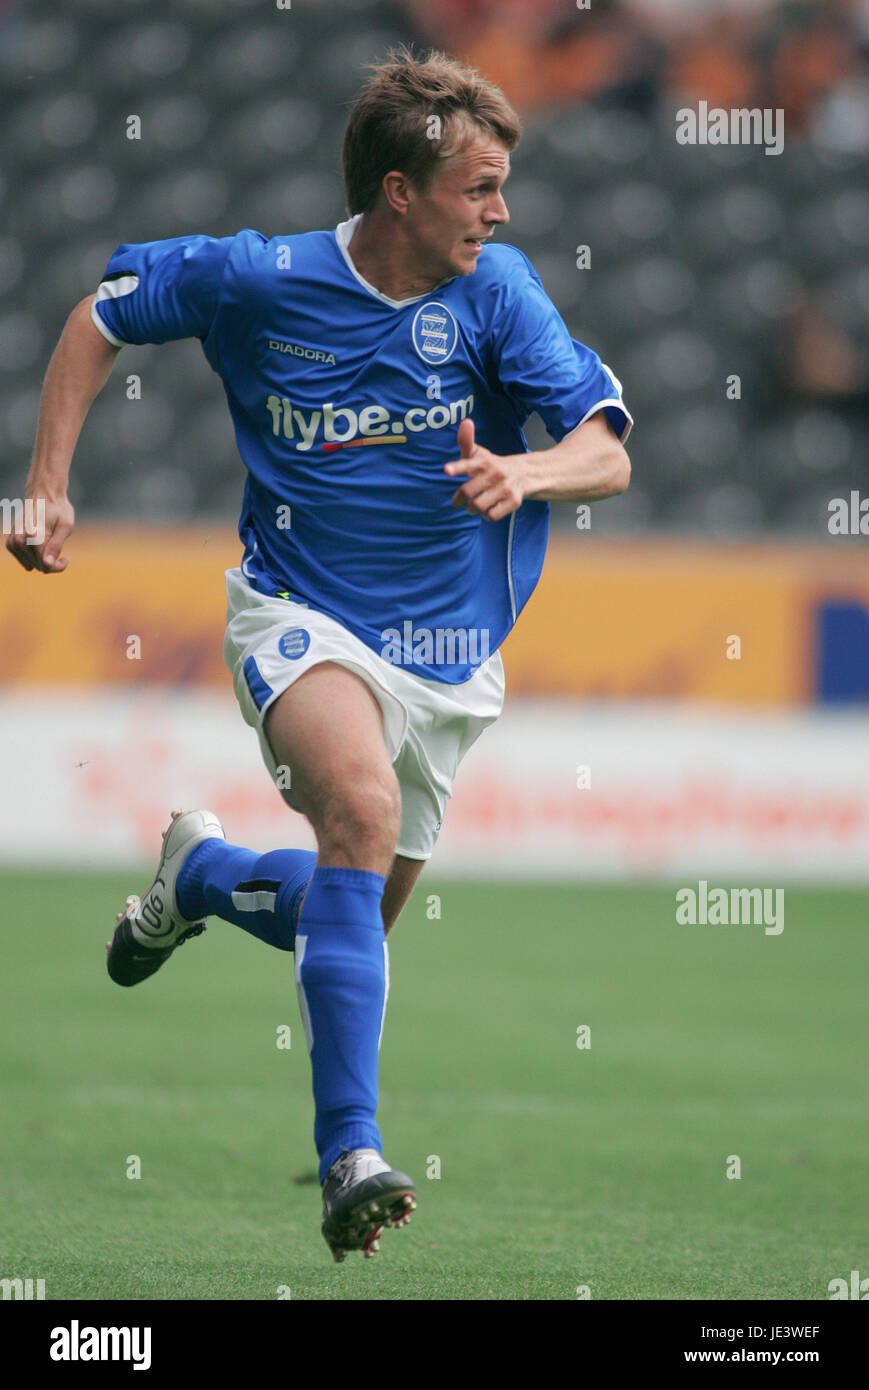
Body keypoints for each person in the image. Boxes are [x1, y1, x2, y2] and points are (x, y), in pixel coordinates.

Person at [5, 45, 632, 1262]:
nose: (499, 213)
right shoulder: (261, 279)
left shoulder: (496, 293)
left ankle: (200, 878)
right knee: (351, 804)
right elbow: (97, 317)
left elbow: (606, 448)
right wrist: (46, 487)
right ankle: (352, 1149)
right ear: (400, 191)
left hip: (449, 656)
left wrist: (529, 468)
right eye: (479, 188)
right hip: (299, 612)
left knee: (345, 920)